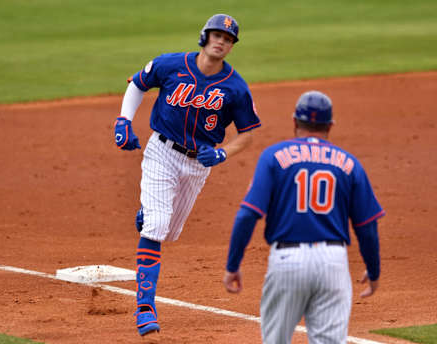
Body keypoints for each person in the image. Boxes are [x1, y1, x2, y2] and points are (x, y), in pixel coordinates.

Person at [114, 14, 261, 336]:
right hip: (161, 153)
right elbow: (137, 84)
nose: (221, 41)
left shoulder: (235, 87)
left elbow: (248, 133)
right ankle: (145, 308)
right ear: (204, 37)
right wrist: (124, 121)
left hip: (198, 165)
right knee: (156, 226)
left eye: (228, 38)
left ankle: (150, 210)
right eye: (216, 35)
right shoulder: (171, 65)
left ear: (232, 46)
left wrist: (222, 153)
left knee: (169, 231)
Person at [223, 90, 385, 344]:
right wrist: (373, 272)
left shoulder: (274, 157)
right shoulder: (349, 163)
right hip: (333, 262)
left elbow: (247, 215)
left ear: (295, 122)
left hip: (287, 261)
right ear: (329, 126)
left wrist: (233, 265)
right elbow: (367, 227)